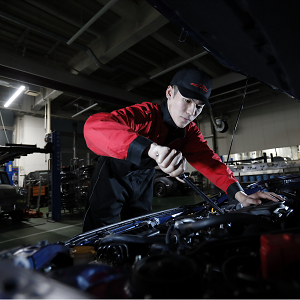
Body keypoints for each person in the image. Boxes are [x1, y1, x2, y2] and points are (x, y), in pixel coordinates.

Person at [82, 68, 283, 232]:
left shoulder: (189, 133)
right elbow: (94, 127)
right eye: (187, 101)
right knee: (98, 233)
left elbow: (210, 162)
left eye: (199, 106)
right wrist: (152, 149)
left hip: (143, 180)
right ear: (170, 93)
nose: (191, 112)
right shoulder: (145, 114)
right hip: (112, 176)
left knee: (142, 229)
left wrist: (241, 195)